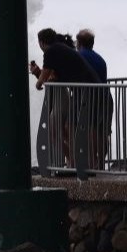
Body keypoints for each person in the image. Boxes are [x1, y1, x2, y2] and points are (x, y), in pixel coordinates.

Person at [30, 28, 99, 168]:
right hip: (86, 90)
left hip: (83, 91)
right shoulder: (59, 50)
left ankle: (75, 161)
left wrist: (38, 82)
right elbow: (53, 78)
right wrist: (39, 73)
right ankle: (78, 160)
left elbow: (46, 77)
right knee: (67, 130)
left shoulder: (51, 51)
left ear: (42, 42)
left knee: (60, 130)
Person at [76, 29, 113, 169]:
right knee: (102, 130)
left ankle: (91, 162)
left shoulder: (79, 56)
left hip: (90, 97)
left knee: (91, 128)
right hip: (104, 95)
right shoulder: (100, 58)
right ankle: (100, 163)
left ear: (79, 42)